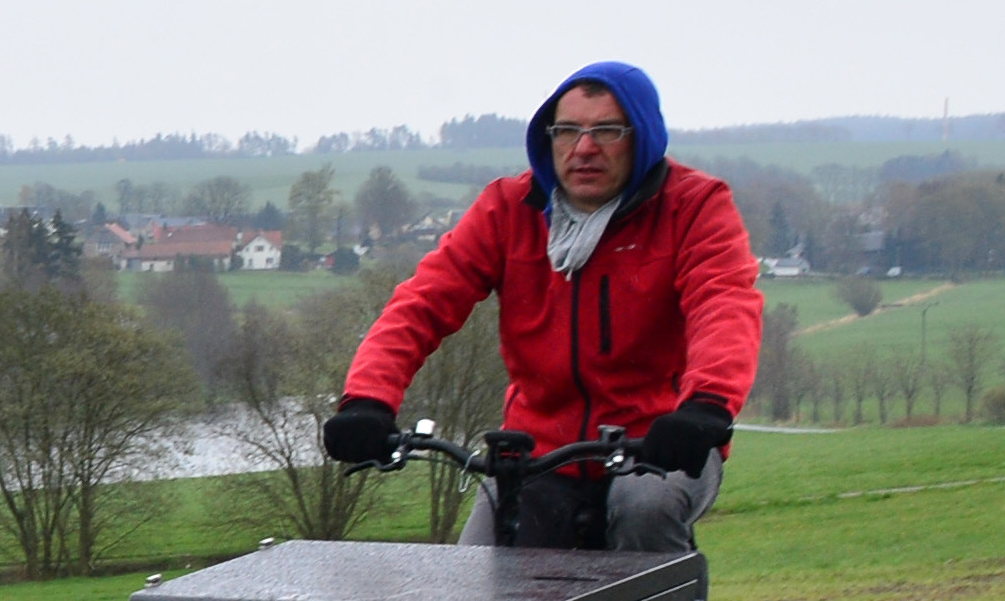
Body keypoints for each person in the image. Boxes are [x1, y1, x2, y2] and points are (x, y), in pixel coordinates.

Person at [325, 63, 762, 554]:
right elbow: (421, 303)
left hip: (656, 443)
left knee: (645, 508)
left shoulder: (694, 206)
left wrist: (706, 405)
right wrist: (367, 399)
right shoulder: (509, 209)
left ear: (642, 137)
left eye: (607, 131)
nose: (584, 148)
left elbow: (724, 304)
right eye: (568, 130)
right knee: (475, 578)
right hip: (537, 450)